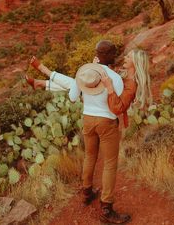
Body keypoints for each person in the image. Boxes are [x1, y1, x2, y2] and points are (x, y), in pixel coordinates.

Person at [26, 40, 132, 224]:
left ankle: (86, 192)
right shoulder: (115, 78)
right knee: (109, 163)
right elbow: (117, 106)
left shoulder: (83, 72)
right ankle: (106, 208)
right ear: (112, 56)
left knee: (90, 156)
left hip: (88, 120)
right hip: (107, 122)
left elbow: (73, 97)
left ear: (97, 54)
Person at [101, 49, 153, 128]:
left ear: (135, 63)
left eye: (128, 57)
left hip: (119, 126)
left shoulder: (131, 85)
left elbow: (118, 108)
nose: (125, 57)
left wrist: (110, 88)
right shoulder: (121, 76)